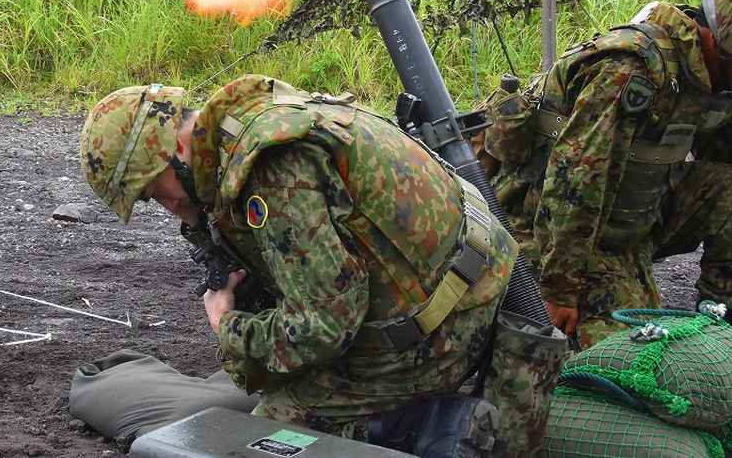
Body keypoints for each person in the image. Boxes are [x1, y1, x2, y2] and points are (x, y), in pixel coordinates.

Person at [79, 74, 520, 452]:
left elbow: (325, 327)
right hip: (463, 279)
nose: (167, 207)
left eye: (156, 192)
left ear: (174, 147)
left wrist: (229, 327)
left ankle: (420, 427)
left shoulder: (271, 172)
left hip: (449, 328)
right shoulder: (243, 120)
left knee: (258, 439)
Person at [479, 0, 732, 348]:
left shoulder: (710, 73)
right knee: (622, 355)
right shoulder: (632, 68)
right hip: (549, 227)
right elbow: (576, 180)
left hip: (633, 217)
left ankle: (720, 338)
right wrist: (559, 288)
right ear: (731, 43)